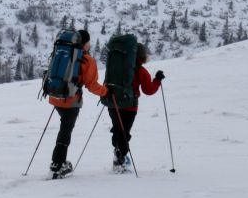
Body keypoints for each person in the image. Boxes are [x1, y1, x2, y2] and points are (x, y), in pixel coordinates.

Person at [47, 30, 108, 178]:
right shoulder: (87, 60)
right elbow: (92, 85)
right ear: (84, 43)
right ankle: (58, 165)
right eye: (88, 42)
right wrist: (105, 92)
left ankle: (58, 163)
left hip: (55, 96)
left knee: (64, 128)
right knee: (65, 131)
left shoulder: (63, 52)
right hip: (71, 101)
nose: (89, 45)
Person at [105, 43, 163, 172]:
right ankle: (120, 161)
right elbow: (148, 90)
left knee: (118, 129)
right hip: (130, 107)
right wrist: (157, 80)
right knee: (124, 132)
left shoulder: (115, 67)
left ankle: (118, 154)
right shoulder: (140, 70)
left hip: (113, 103)